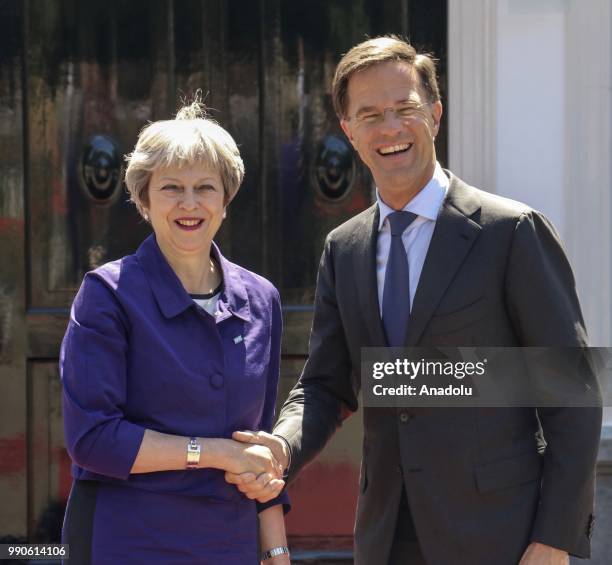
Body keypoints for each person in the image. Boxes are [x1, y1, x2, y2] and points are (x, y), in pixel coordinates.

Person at [226, 36, 602, 564]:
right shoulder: (345, 249)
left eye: (406, 109)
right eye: (371, 115)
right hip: (386, 534)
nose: (391, 128)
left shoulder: (510, 232)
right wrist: (282, 446)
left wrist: (557, 537)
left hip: (501, 535)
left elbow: (573, 393)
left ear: (436, 115)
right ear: (350, 133)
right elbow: (326, 385)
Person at [60, 100, 290, 564]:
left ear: (226, 200)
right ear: (143, 201)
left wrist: (278, 548)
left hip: (231, 543)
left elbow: (256, 443)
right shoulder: (107, 294)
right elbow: (93, 439)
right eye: (171, 188)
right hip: (128, 539)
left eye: (205, 187)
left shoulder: (261, 298)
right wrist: (216, 454)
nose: (190, 203)